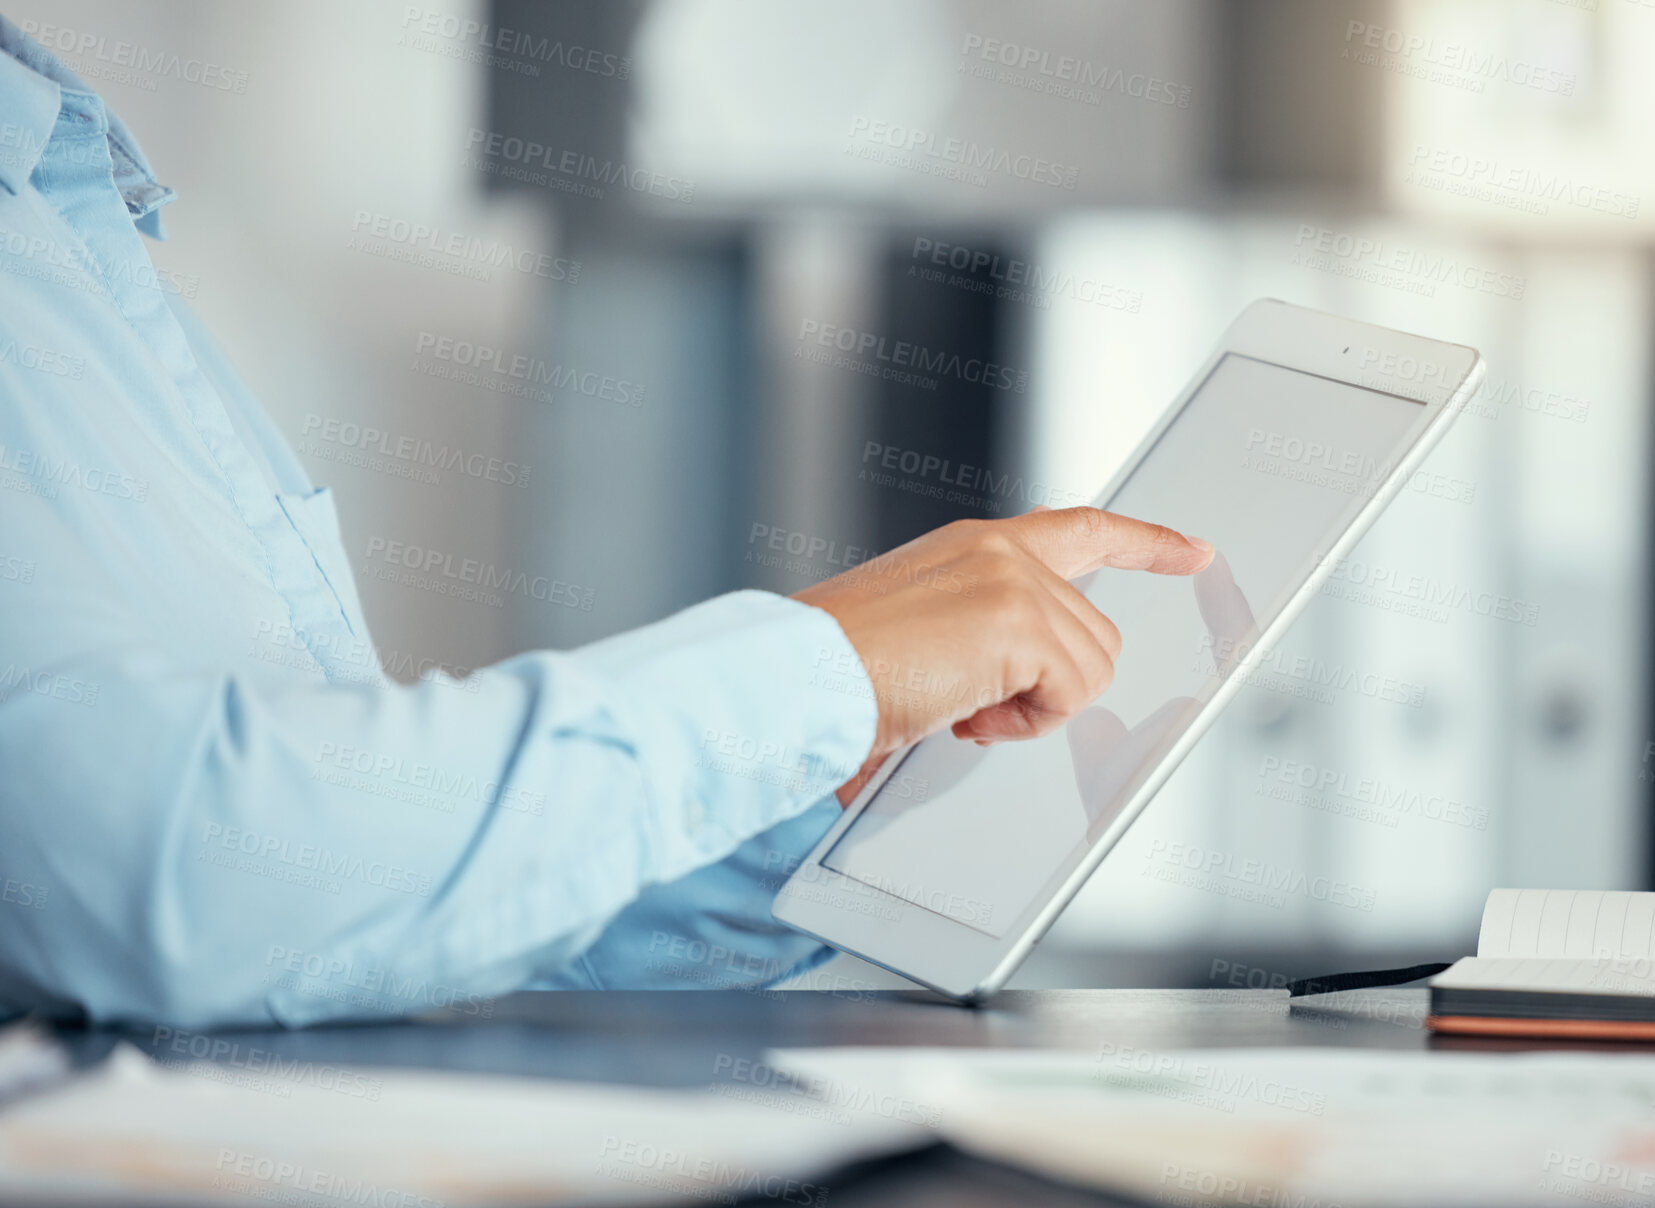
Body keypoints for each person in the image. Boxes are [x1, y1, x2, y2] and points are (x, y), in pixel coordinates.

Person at [0, 16, 1212, 1027]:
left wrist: (802, 777)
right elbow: (181, 881)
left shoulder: (55, 186)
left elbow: (342, 907)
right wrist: (814, 672)